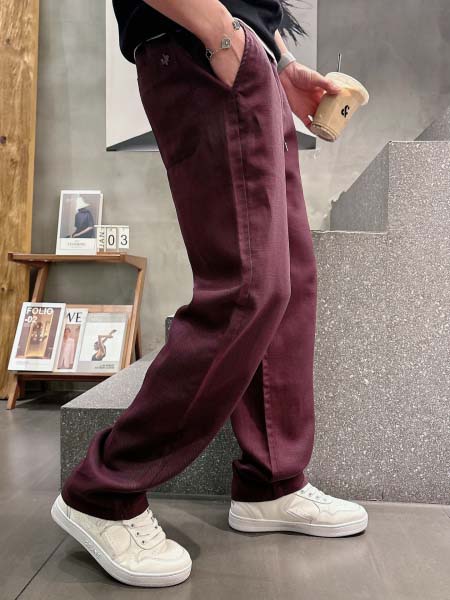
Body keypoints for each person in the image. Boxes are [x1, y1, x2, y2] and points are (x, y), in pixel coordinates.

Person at [51, 0, 369, 588]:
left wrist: (277, 59)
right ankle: (104, 490)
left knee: (289, 283)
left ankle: (271, 482)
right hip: (201, 47)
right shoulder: (215, 44)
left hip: (246, 59)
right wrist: (223, 37)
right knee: (246, 288)